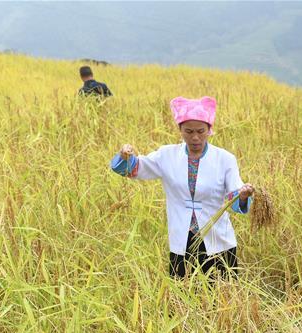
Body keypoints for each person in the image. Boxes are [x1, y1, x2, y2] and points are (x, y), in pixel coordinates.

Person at [109, 96, 255, 279]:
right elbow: (136, 168)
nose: (195, 137)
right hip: (182, 237)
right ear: (180, 130)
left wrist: (243, 195)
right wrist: (125, 156)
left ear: (210, 130)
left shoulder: (225, 159)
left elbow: (235, 194)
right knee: (183, 293)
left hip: (217, 239)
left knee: (222, 292)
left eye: (201, 131)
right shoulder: (167, 155)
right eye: (189, 131)